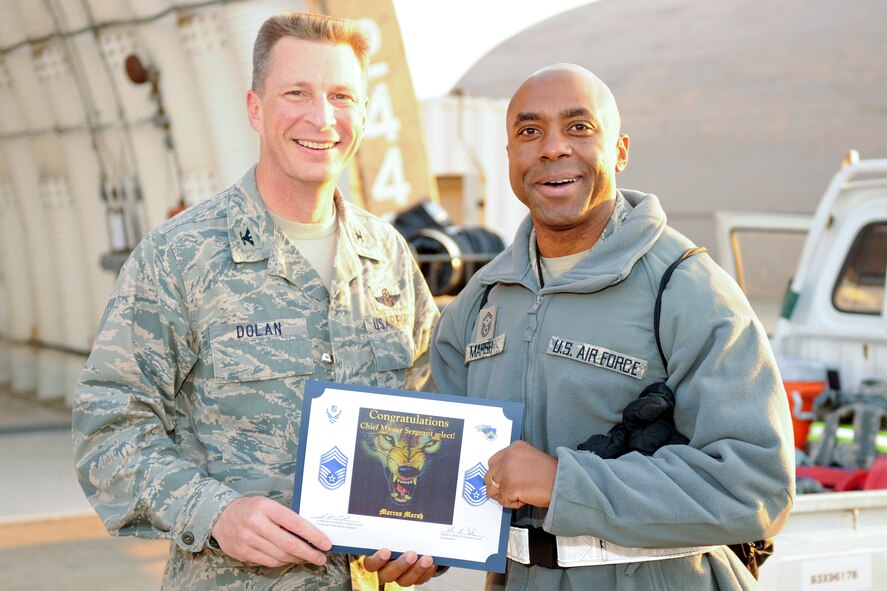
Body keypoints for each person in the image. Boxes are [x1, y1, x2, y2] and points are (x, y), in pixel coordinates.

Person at [73, 12, 439, 590]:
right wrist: (212, 512)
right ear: (255, 108)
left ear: (363, 112)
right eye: (297, 93)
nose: (322, 117)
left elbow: (429, 410)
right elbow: (107, 427)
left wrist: (426, 537)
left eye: (342, 95)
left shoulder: (387, 256)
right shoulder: (181, 256)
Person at [430, 63, 795, 590]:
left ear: (620, 151)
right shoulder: (481, 299)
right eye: (529, 131)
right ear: (510, 155)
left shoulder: (685, 288)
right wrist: (420, 543)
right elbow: (445, 464)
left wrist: (564, 483)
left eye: (579, 127)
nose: (553, 148)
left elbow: (755, 484)